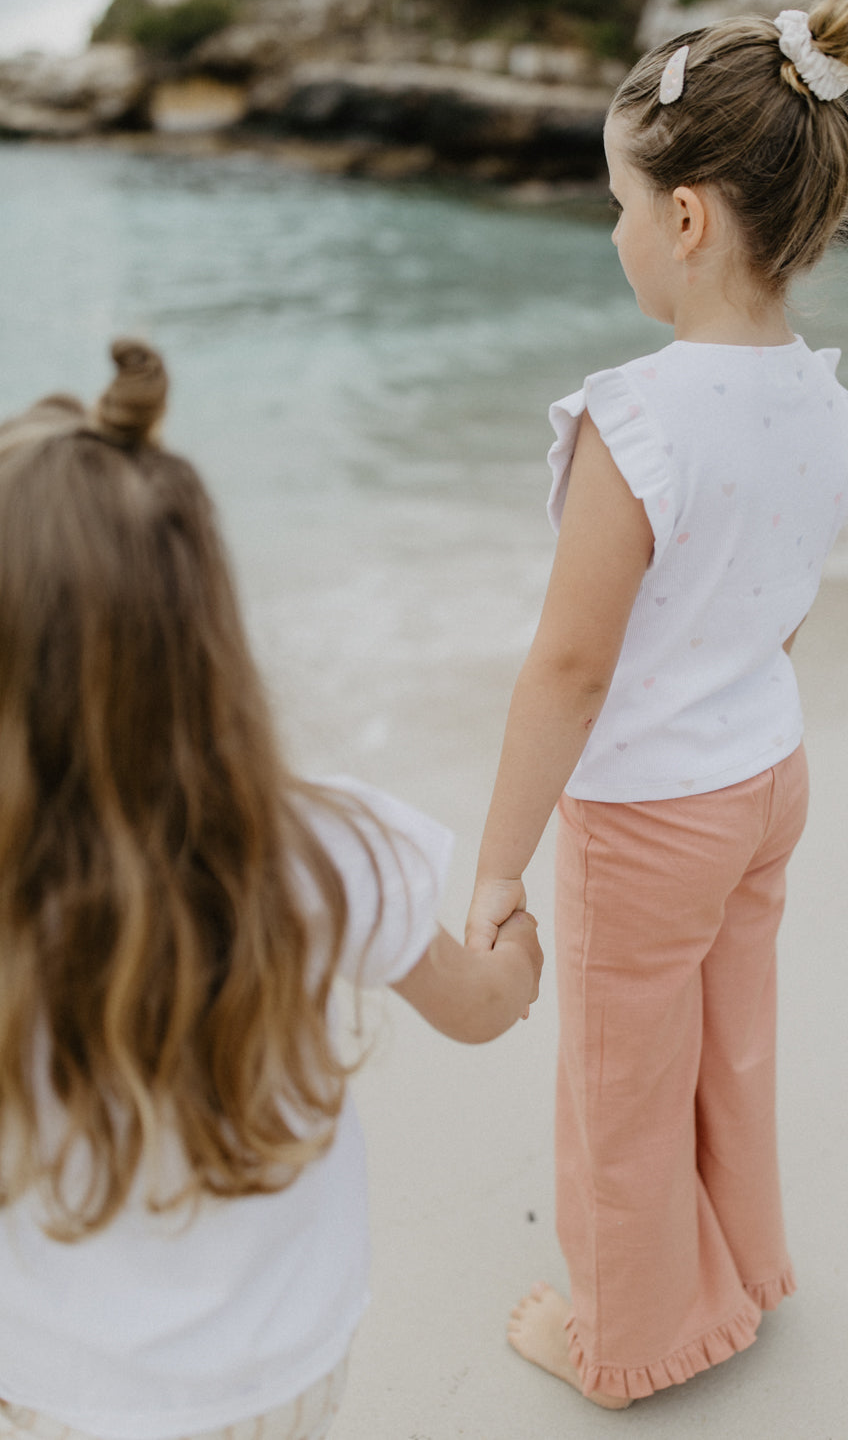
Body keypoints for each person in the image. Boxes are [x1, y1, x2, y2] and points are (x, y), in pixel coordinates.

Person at [465, 0, 848, 1410]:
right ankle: (745, 1264)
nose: (612, 232)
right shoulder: (827, 410)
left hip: (650, 813)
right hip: (767, 785)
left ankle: (624, 1337)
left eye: (616, 202)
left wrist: (495, 864)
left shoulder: (639, 416)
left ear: (688, 219)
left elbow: (572, 665)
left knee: (619, 1085)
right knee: (735, 1033)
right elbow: (776, 608)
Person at [0, 340, 542, 1440]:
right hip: (277, 1370)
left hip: (63, 1385)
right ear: (204, 633)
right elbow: (480, 1011)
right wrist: (516, 957)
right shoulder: (323, 847)